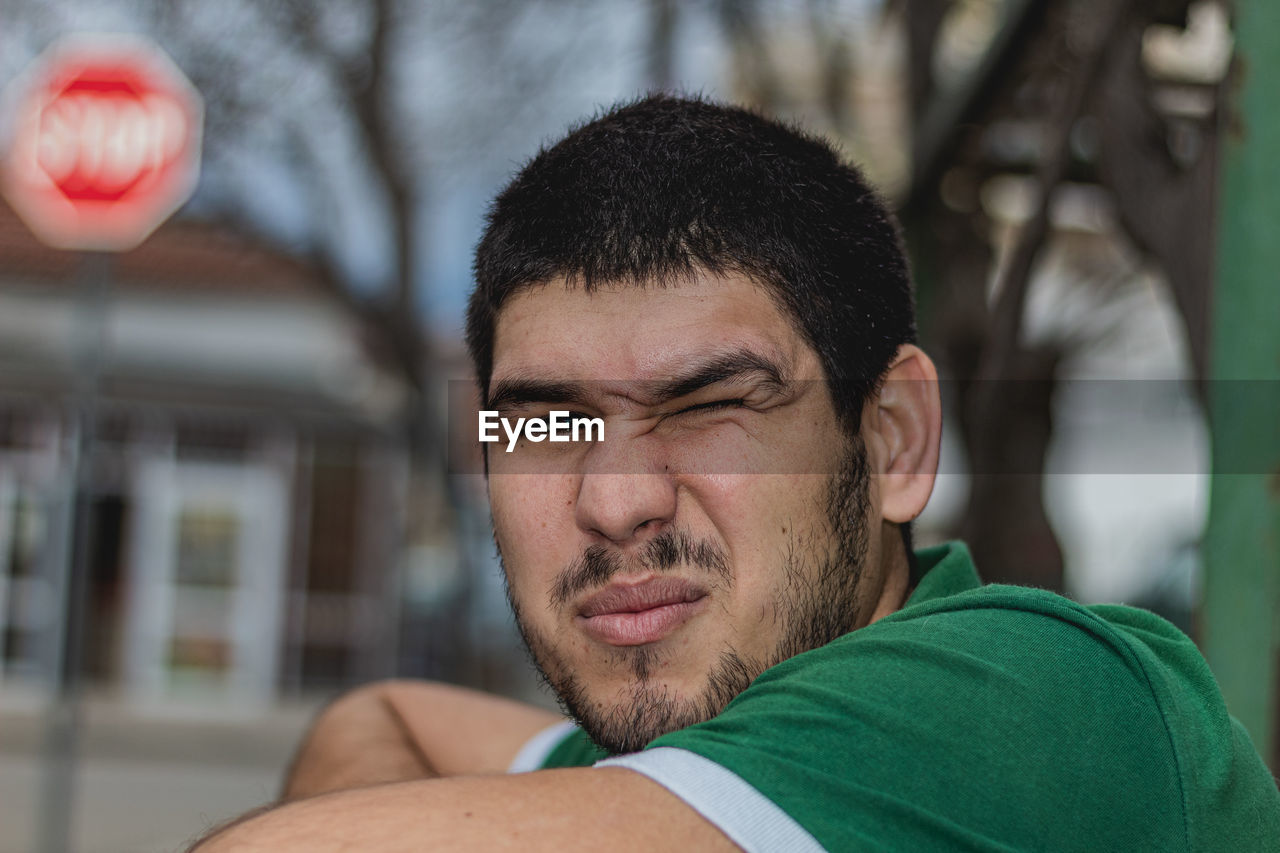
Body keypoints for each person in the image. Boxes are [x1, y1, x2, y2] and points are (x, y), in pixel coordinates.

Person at [193, 96, 1279, 852]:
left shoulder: (1038, 697)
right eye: (546, 423)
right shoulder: (679, 753)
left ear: (892, 437)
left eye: (710, 405)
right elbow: (376, 720)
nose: (613, 501)